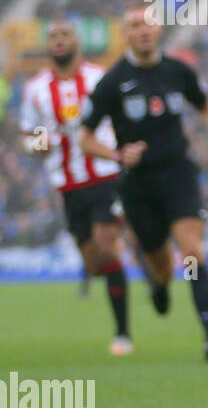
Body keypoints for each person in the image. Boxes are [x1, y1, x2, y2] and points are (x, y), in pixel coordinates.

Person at [79, 5, 208, 361]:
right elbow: (84, 138)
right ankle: (160, 285)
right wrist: (117, 155)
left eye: (148, 23)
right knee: (162, 265)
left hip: (178, 175)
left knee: (192, 252)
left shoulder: (178, 71)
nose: (143, 30)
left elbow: (206, 106)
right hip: (138, 186)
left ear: (159, 29)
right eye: (135, 25)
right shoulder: (113, 81)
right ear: (125, 34)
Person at [19, 18, 131, 355]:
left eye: (65, 34)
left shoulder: (99, 78)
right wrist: (37, 145)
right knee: (94, 263)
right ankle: (132, 253)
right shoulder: (36, 89)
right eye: (53, 36)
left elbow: (121, 118)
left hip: (105, 174)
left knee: (106, 246)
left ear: (77, 42)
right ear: (47, 44)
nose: (59, 40)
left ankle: (122, 335)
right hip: (67, 184)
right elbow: (30, 134)